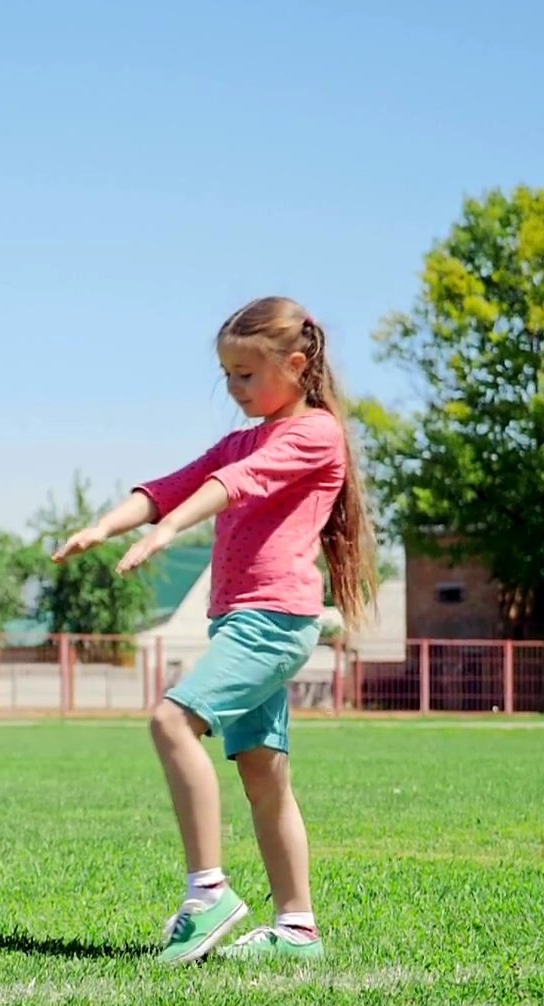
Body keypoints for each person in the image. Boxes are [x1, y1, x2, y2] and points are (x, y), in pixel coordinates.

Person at [52, 297, 376, 965]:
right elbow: (175, 485)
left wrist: (171, 530)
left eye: (246, 374)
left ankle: (208, 894)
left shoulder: (314, 433)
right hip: (244, 620)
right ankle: (297, 930)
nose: (234, 388)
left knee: (171, 722)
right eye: (226, 374)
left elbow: (235, 485)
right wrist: (105, 526)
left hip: (274, 618)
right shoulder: (241, 438)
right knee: (263, 774)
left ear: (296, 363)